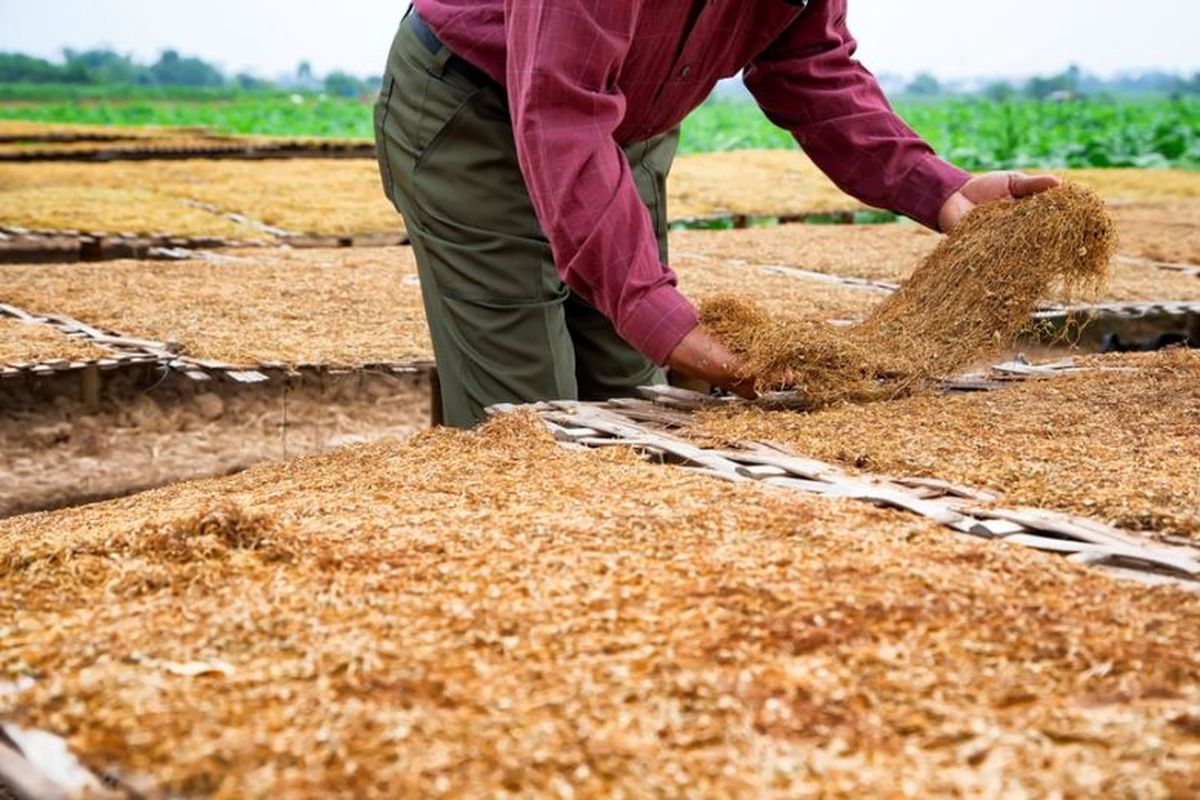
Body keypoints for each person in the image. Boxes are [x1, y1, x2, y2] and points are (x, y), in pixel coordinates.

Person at [374, 0, 1059, 428]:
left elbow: (811, 65)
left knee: (631, 395)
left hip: (623, 123)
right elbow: (560, 107)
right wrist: (651, 308)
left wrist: (938, 189)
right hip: (479, 107)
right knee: (529, 415)